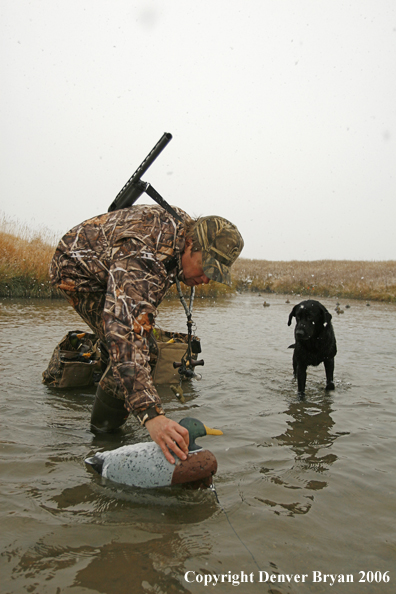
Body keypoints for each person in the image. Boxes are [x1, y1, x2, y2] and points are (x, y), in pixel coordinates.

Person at [49, 204, 244, 463]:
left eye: (215, 272)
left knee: (132, 346)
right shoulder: (143, 258)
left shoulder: (184, 232)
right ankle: (103, 439)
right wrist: (152, 415)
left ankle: (113, 381)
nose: (207, 279)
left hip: (112, 260)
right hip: (77, 270)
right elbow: (127, 333)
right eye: (206, 266)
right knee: (137, 347)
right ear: (189, 244)